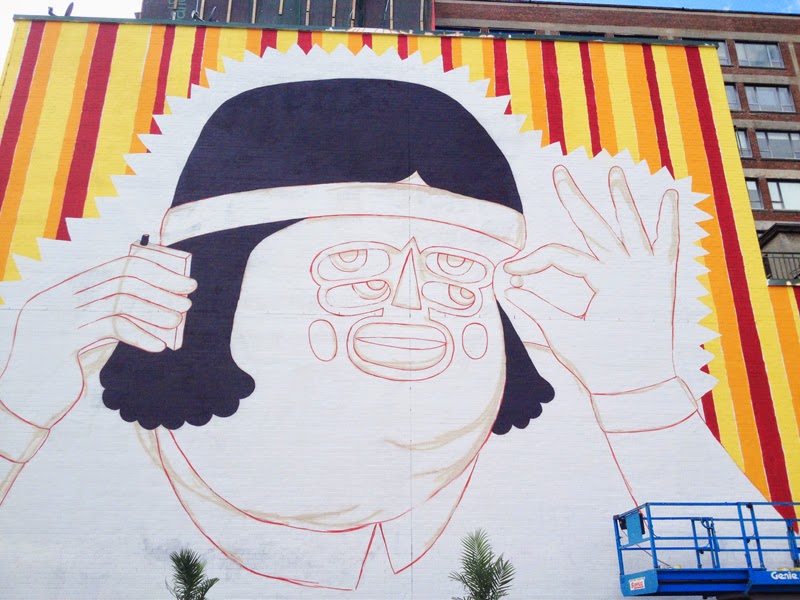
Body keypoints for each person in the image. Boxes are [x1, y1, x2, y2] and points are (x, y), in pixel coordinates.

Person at [0, 48, 778, 598]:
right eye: (354, 263)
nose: (412, 299)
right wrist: (13, 412)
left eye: (456, 268)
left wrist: (639, 391)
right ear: (213, 287)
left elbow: (765, 573)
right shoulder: (63, 453)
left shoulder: (579, 465)